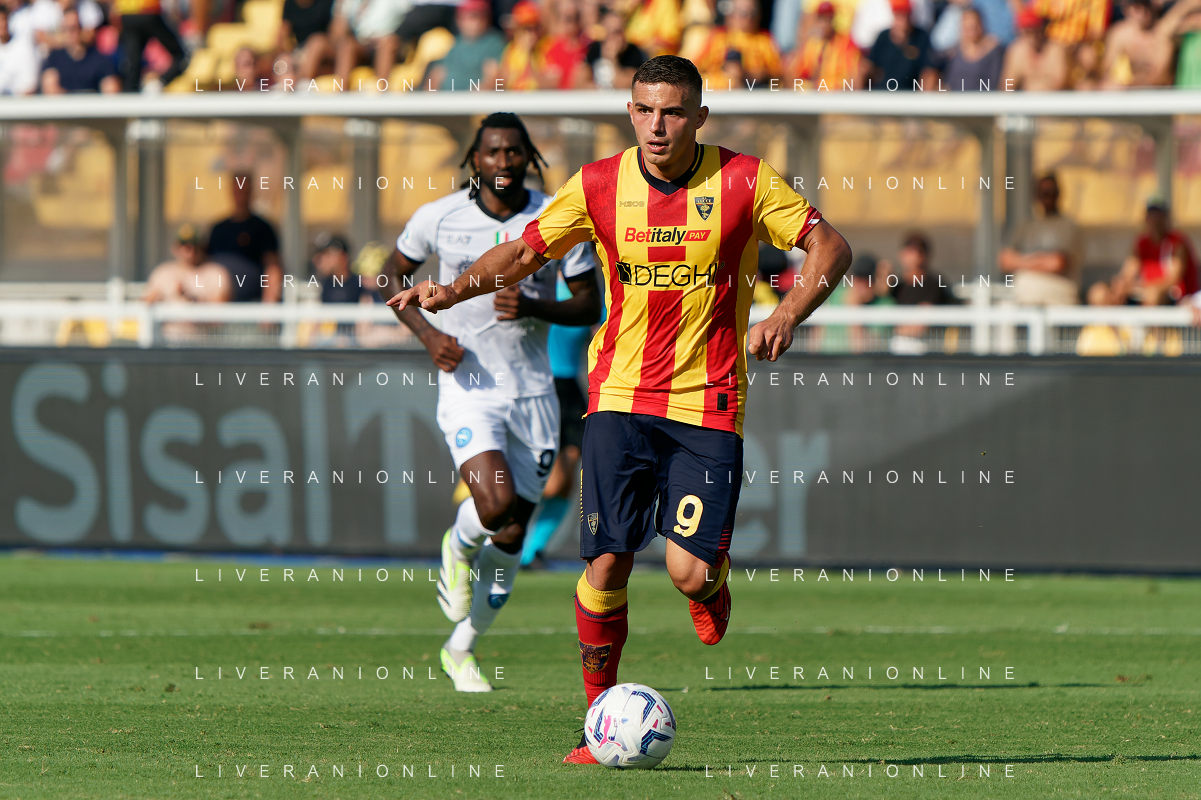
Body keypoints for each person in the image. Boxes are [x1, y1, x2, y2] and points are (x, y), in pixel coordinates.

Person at [387, 55, 852, 761]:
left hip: (706, 401)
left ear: (699, 117)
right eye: (644, 110)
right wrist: (452, 292)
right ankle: (596, 721)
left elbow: (829, 245)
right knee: (605, 563)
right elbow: (522, 254)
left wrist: (786, 312)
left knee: (687, 571)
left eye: (673, 112)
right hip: (618, 398)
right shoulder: (598, 184)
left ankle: (710, 585)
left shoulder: (745, 180)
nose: (657, 125)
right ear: (630, 113)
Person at [380, 112, 600, 693]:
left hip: (535, 392)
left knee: (511, 536)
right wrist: (429, 338)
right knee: (495, 503)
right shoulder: (439, 217)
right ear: (474, 160)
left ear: (529, 158)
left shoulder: (556, 218)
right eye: (492, 152)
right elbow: (389, 277)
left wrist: (533, 306)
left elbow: (589, 304)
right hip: (469, 386)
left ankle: (461, 648)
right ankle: (457, 545)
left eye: (513, 152)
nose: (503, 161)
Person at [519, 275, 597, 568]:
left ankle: (532, 551)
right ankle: (506, 539)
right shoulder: (538, 289)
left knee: (564, 483)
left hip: (570, 393)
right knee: (548, 483)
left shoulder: (590, 297)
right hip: (538, 388)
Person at [999, 173, 1082, 306]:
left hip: (1059, 293)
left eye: (1050, 191)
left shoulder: (1069, 226)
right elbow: (1005, 260)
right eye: (1043, 192)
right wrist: (1039, 259)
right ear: (1036, 195)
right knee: (1003, 306)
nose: (1047, 196)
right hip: (1022, 294)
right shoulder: (1026, 226)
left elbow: (1057, 263)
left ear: (1058, 193)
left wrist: (1021, 260)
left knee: (1024, 283)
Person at [206, 172, 284, 303]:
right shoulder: (218, 229)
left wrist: (269, 306)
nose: (241, 195)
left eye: (244, 191)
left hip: (250, 304)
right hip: (218, 305)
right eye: (237, 191)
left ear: (251, 192)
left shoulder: (262, 228)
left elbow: (273, 268)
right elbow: (205, 264)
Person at [1106, 199, 1199, 305]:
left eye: (1158, 215)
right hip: (1144, 292)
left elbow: (1172, 280)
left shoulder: (1177, 243)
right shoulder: (1142, 243)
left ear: (1166, 218)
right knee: (1100, 293)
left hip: (1175, 298)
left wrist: (1141, 287)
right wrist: (1121, 284)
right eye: (1152, 215)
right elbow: (1129, 271)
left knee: (1152, 296)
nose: (1155, 219)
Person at [1102, 0, 1201, 87]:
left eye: (1141, 6)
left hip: (1163, 94)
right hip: (1133, 92)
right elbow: (1105, 70)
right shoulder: (1122, 34)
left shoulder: (1166, 31)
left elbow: (1193, 4)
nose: (1136, 13)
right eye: (1131, 7)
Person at [682, 0, 782, 86]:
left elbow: (779, 74)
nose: (750, 18)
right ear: (731, 15)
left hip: (754, 92)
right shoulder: (717, 38)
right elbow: (693, 68)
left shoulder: (765, 41)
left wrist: (748, 74)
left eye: (753, 13)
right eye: (744, 13)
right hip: (718, 92)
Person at [143, 225, 233, 303]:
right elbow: (147, 301)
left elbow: (221, 308)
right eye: (184, 246)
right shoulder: (162, 273)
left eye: (194, 245)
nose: (190, 252)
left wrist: (192, 299)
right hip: (171, 318)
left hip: (202, 318)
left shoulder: (216, 273)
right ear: (174, 247)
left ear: (202, 247)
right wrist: (156, 300)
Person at [426, 0, 505, 90]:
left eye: (478, 16)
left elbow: (493, 79)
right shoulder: (453, 42)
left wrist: (471, 96)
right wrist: (430, 96)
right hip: (446, 96)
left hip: (471, 97)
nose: (475, 22)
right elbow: (437, 74)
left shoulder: (493, 42)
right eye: (470, 17)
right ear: (458, 19)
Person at [784, 0, 861, 89]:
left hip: (838, 92)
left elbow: (853, 74)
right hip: (816, 92)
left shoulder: (846, 42)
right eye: (821, 19)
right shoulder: (812, 44)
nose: (824, 24)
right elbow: (801, 72)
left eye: (828, 19)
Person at [862, 0, 938, 89]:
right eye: (898, 15)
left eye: (904, 15)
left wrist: (923, 94)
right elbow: (868, 65)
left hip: (909, 93)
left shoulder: (921, 38)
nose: (901, 21)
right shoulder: (883, 37)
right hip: (882, 91)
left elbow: (929, 71)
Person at [39, 8, 119, 93]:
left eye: (74, 28)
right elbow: (50, 89)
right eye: (65, 29)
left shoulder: (99, 59)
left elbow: (111, 89)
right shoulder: (54, 59)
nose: (70, 33)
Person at [113, 0, 188, 91]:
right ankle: (158, 83)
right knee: (181, 56)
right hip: (148, 10)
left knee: (133, 64)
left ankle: (132, 91)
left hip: (127, 13)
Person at [331, 0, 405, 84]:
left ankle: (381, 88)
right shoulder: (354, 2)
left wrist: (390, 35)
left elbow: (409, 16)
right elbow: (336, 37)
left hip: (389, 41)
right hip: (364, 43)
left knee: (388, 43)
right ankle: (341, 89)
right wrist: (340, 9)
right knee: (347, 45)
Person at [1001, 6, 1069, 89]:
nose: (1032, 37)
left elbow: (1061, 82)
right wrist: (1009, 91)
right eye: (1027, 31)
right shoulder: (1016, 51)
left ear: (1042, 29)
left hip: (1050, 95)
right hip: (1025, 95)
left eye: (1034, 30)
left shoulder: (1056, 50)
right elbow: (1008, 82)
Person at [943, 5, 1004, 89]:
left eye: (973, 27)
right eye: (967, 28)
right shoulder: (956, 52)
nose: (970, 31)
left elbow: (995, 83)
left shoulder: (994, 50)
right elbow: (950, 82)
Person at [584, 6, 645, 89]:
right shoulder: (595, 48)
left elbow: (628, 85)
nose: (612, 38)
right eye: (608, 32)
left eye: (616, 32)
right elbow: (579, 83)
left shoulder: (633, 52)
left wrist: (612, 60)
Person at [280, 0, 336, 81]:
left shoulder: (328, 2)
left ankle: (303, 82)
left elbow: (335, 34)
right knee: (284, 59)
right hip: (300, 49)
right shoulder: (290, 3)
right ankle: (286, 85)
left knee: (316, 44)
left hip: (325, 48)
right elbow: (283, 34)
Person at [0, 7, 39, 95]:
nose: (2, 24)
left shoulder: (24, 47)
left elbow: (30, 85)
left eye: (4, 19)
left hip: (18, 101)